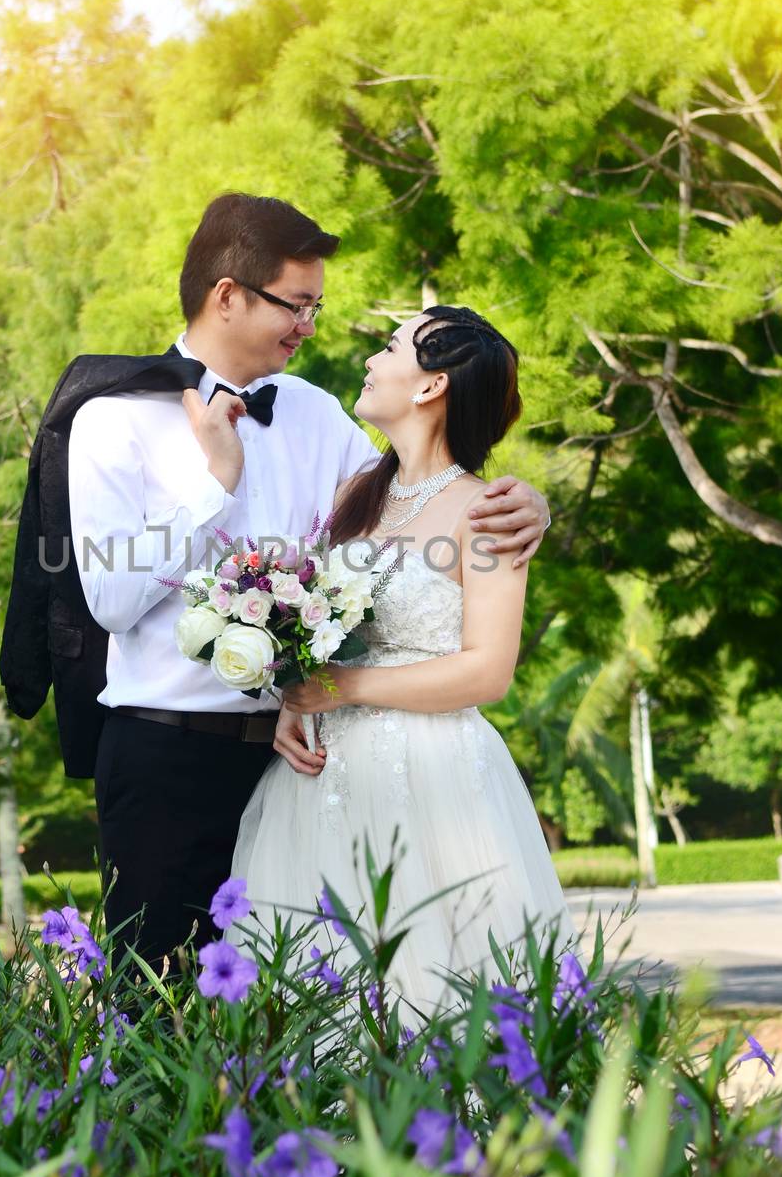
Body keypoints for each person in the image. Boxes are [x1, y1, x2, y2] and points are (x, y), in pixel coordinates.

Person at [69, 194, 551, 971]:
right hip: (166, 760)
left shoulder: (317, 413)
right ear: (228, 295)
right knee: (151, 1012)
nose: (311, 327)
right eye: (298, 305)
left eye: (317, 306)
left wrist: (527, 506)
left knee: (289, 1014)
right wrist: (214, 486)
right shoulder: (114, 419)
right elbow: (112, 599)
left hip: (301, 766)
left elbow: (411, 515)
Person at [227, 304, 577, 1015]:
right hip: (321, 780)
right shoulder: (353, 498)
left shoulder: (487, 512)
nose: (369, 360)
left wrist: (346, 685)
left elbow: (488, 670)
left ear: (430, 387)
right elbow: (319, 629)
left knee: (434, 988)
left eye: (389, 347)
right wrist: (295, 701)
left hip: (434, 779)